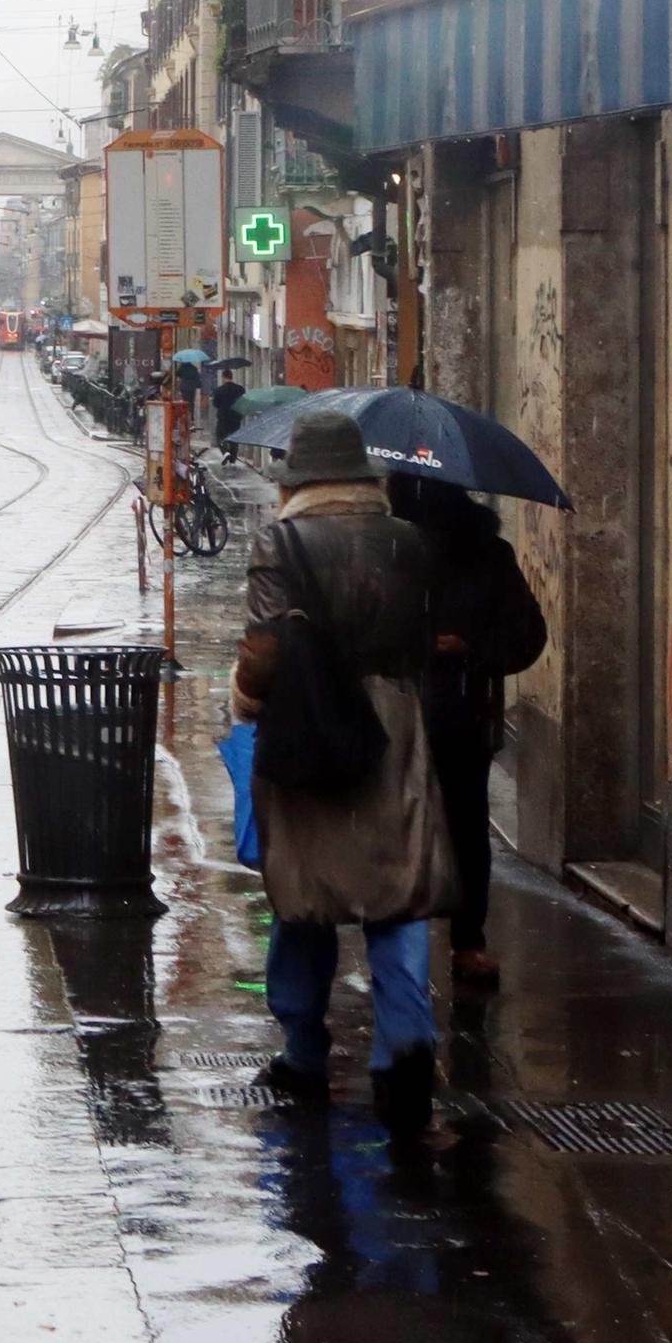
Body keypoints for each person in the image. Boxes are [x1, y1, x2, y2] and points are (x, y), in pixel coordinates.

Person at [233, 410, 452, 1133]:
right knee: (397, 888)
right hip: (392, 720)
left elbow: (263, 648)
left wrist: (246, 700)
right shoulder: (408, 541)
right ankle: (407, 1041)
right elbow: (422, 635)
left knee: (303, 887)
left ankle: (301, 1046)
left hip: (306, 721)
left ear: (300, 478)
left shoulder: (283, 542)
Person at [390, 472, 549, 989]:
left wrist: (468, 648)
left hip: (459, 712)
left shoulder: (487, 555)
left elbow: (527, 634)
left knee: (460, 827)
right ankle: (440, 940)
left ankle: (464, 940)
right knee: (435, 827)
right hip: (404, 710)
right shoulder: (391, 552)